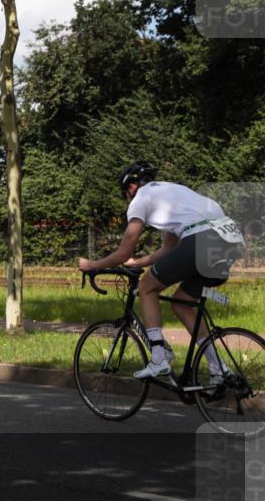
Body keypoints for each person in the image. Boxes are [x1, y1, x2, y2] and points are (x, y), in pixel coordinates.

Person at [78, 162, 244, 381]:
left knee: (146, 287)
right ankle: (219, 369)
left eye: (125, 196)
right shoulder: (173, 192)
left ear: (131, 188)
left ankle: (158, 358)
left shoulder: (140, 199)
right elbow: (169, 249)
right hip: (229, 241)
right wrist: (137, 263)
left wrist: (91, 265)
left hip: (201, 239)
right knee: (182, 303)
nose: (128, 201)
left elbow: (123, 251)